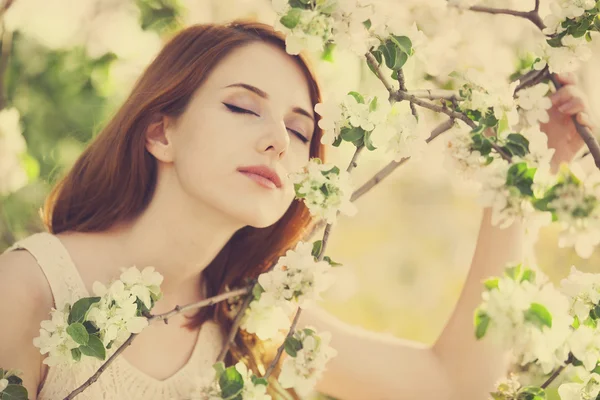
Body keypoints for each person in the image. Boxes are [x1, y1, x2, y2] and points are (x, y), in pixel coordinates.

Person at [0, 19, 595, 400]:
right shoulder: (32, 291)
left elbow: (453, 385)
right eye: (242, 107)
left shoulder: (246, 315)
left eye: (299, 129)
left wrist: (523, 176)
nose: (278, 142)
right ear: (161, 132)